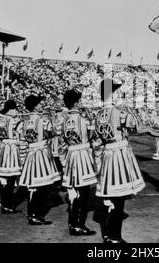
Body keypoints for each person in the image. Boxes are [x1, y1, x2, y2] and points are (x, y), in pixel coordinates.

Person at [94, 78, 145, 243]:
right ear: (112, 94)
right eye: (116, 91)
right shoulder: (119, 112)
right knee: (119, 197)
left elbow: (97, 143)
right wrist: (129, 108)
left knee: (111, 196)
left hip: (107, 155)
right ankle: (114, 236)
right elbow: (136, 126)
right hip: (119, 155)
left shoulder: (98, 115)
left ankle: (109, 233)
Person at [60, 89, 97, 236]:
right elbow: (93, 136)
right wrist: (91, 118)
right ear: (76, 102)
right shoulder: (83, 119)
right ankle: (78, 225)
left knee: (74, 191)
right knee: (83, 192)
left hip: (71, 155)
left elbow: (62, 142)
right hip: (82, 155)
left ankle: (72, 222)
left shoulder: (64, 120)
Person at [18, 95, 60, 225]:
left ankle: (33, 214)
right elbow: (54, 133)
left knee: (33, 185)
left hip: (31, 152)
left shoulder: (24, 121)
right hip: (41, 152)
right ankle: (34, 215)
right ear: (35, 106)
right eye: (40, 104)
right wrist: (53, 119)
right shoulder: (42, 120)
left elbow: (23, 140)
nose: (42, 105)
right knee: (39, 186)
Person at [0, 100, 22, 214]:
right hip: (11, 148)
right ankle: (7, 205)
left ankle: (4, 203)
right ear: (12, 110)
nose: (17, 112)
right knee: (11, 177)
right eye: (15, 109)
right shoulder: (14, 121)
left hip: (2, 148)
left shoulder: (0, 120)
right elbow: (19, 136)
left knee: (4, 178)